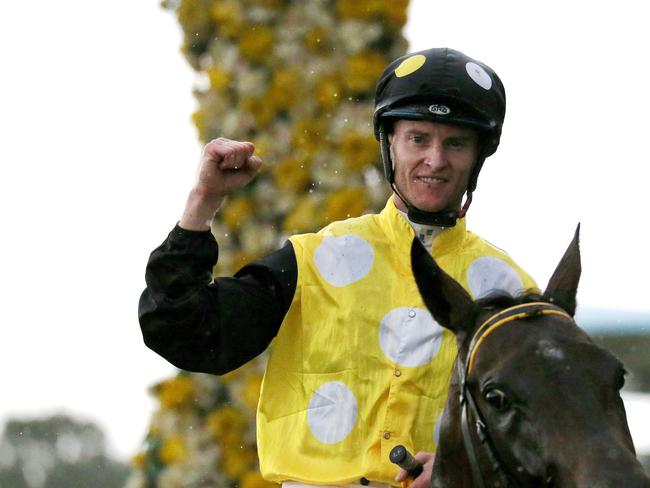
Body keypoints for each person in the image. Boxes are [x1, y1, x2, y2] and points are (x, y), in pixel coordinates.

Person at [139, 47, 537, 488]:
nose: (436, 159)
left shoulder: (513, 290)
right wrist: (203, 201)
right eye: (418, 139)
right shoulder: (316, 258)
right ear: (390, 142)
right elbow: (187, 333)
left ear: (478, 155)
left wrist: (457, 466)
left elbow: (544, 437)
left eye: (456, 143)